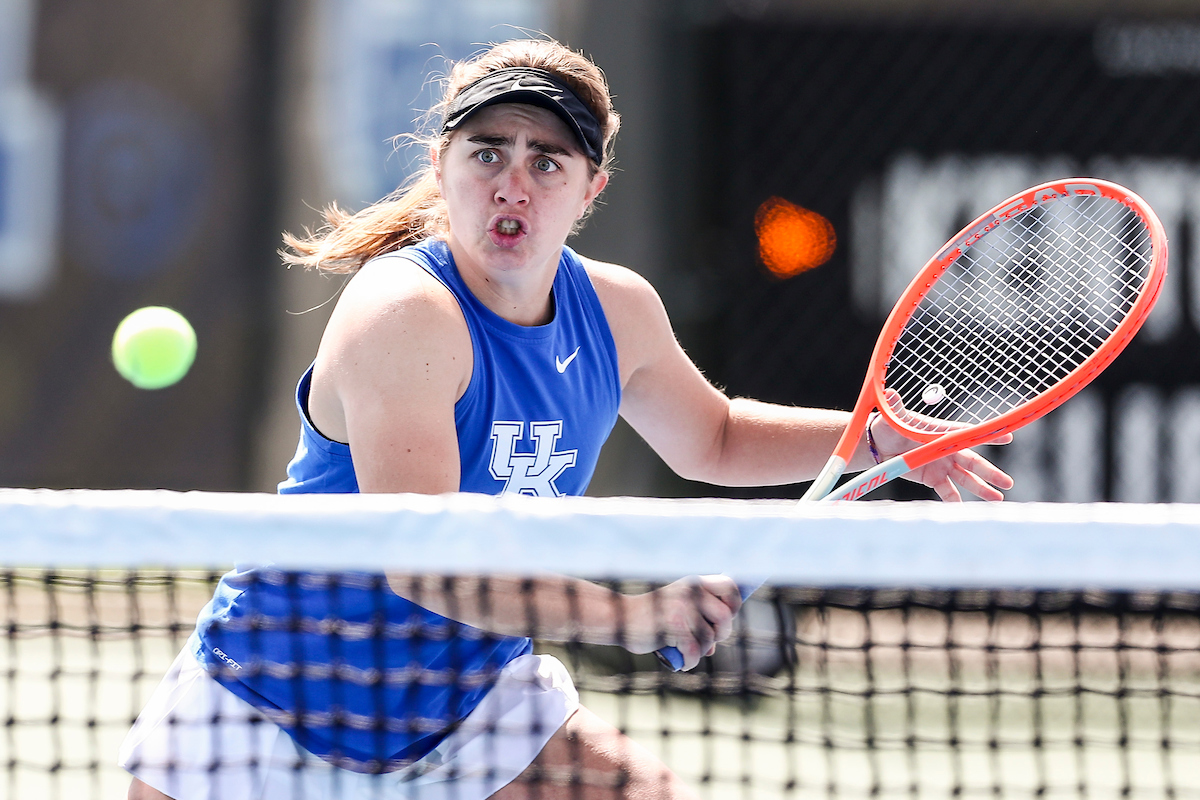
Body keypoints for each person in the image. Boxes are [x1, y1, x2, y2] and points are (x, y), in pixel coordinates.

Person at [121, 37, 1012, 800]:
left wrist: (877, 439)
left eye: (547, 161)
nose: (514, 182)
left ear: (591, 189)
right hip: (270, 698)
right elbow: (429, 570)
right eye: (488, 152)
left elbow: (715, 436)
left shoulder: (617, 313)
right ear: (442, 168)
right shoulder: (404, 312)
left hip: (466, 706)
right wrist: (636, 618)